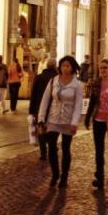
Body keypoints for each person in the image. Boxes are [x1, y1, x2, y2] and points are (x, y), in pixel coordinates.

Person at [38, 55, 83, 188]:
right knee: (51, 147)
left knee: (66, 148)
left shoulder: (77, 84)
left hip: (68, 120)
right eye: (63, 65)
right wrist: (41, 118)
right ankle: (55, 174)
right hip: (53, 118)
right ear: (60, 67)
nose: (65, 68)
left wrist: (75, 122)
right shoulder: (53, 81)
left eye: (68, 65)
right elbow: (45, 100)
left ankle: (64, 177)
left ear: (72, 67)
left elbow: (78, 105)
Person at [85, 59, 108, 188]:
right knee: (99, 150)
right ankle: (100, 178)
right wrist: (88, 117)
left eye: (105, 68)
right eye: (101, 68)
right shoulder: (96, 83)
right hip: (98, 120)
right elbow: (92, 102)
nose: (103, 70)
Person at [30, 58, 58, 160]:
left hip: (39, 107)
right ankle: (52, 147)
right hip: (54, 108)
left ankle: (43, 152)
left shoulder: (39, 77)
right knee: (53, 128)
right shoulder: (57, 78)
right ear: (55, 66)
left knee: (41, 128)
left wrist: (31, 110)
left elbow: (33, 95)